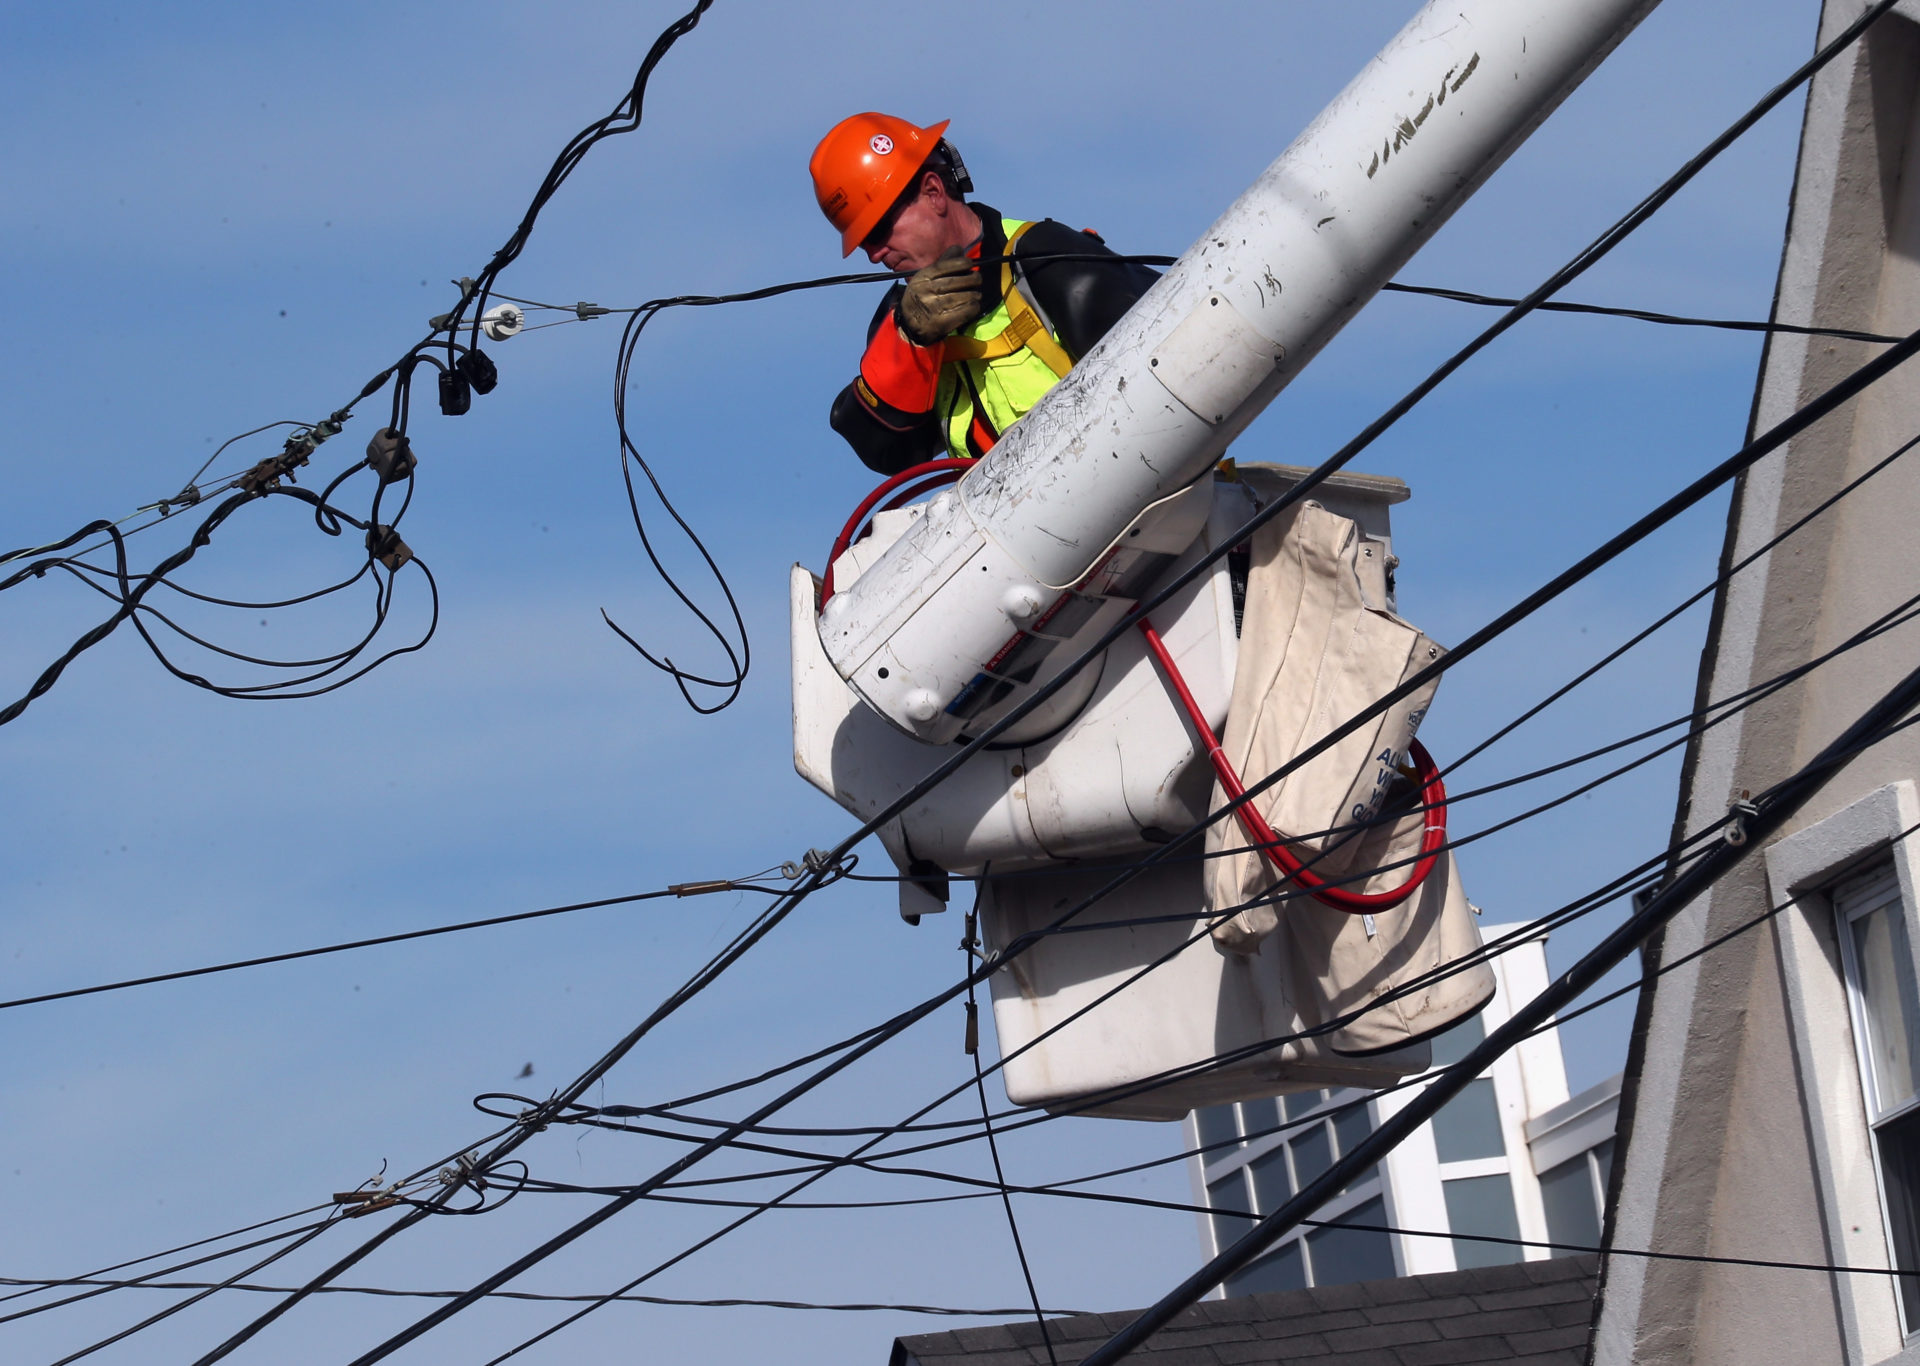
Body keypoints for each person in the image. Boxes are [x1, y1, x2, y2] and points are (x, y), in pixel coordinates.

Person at [811, 113, 1159, 475]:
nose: (874, 254)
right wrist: (909, 343)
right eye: (864, 242)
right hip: (1020, 523)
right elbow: (886, 453)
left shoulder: (1045, 259)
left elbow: (1162, 379)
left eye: (880, 229)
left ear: (933, 193)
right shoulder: (905, 324)